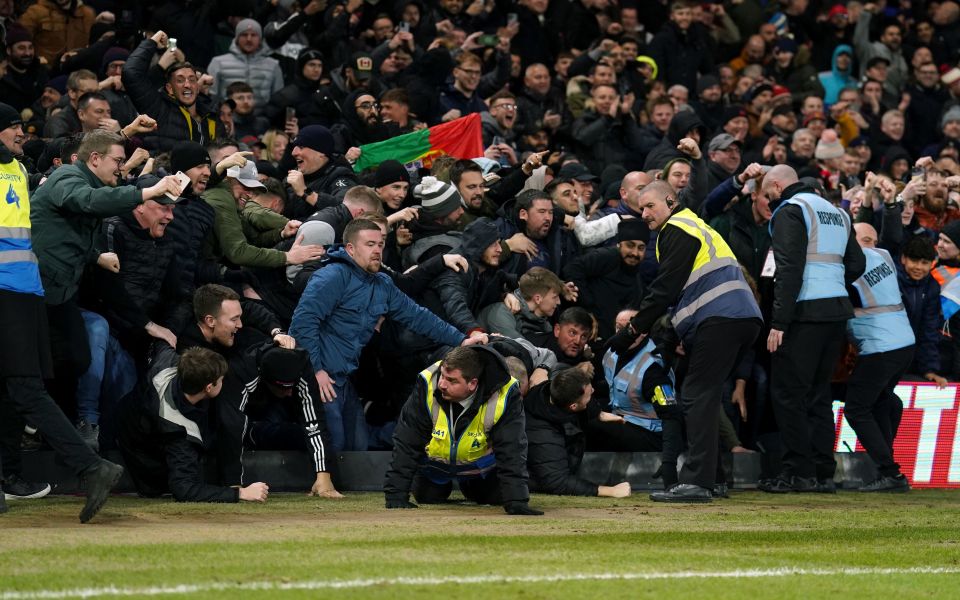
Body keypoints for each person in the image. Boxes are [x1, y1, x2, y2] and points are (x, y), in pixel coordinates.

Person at [0, 102, 123, 523]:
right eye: (14, 126)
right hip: (27, 289)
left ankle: (91, 467)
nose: (21, 133)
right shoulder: (15, 170)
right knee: (15, 390)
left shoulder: (16, 170)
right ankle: (9, 476)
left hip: (12, 291)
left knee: (23, 387)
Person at [608, 180, 762, 503]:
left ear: (670, 200)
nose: (645, 214)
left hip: (720, 317)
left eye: (650, 206)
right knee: (705, 395)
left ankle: (697, 482)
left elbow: (664, 291)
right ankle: (715, 479)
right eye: (641, 209)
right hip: (742, 317)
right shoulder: (695, 226)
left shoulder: (676, 228)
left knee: (695, 394)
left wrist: (632, 331)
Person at [289, 218, 488, 452]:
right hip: (319, 376)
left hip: (342, 379)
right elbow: (302, 324)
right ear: (350, 248)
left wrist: (462, 339)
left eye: (381, 244)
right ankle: (261, 440)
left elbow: (418, 316)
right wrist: (316, 370)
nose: (377, 251)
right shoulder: (332, 276)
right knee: (335, 448)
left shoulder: (381, 283)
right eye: (370, 244)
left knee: (358, 449)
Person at [30, 130, 183, 404]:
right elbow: (87, 201)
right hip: (38, 288)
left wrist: (96, 256)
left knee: (74, 358)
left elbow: (69, 234)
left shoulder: (92, 184)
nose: (122, 167)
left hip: (60, 290)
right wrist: (148, 191)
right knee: (44, 360)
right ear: (96, 159)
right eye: (118, 161)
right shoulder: (66, 177)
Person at [759, 164, 866, 493]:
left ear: (778, 186)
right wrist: (833, 282)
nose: (767, 202)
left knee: (789, 394)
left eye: (767, 195)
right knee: (819, 395)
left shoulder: (791, 211)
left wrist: (779, 322)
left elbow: (788, 268)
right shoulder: (836, 212)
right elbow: (857, 264)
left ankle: (796, 472)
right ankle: (822, 472)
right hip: (835, 312)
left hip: (803, 314)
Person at [383, 345, 542, 515]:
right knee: (427, 497)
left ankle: (473, 486)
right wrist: (396, 494)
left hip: (481, 468)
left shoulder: (505, 393)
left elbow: (512, 448)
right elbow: (407, 441)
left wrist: (516, 500)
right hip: (435, 466)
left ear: (473, 384)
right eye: (442, 376)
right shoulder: (427, 383)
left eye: (452, 380)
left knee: (495, 498)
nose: (442, 384)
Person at [118, 345, 270, 503]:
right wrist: (240, 494)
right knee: (158, 487)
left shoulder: (168, 360)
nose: (224, 381)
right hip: (138, 441)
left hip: (135, 408)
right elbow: (184, 489)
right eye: (221, 380)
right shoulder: (177, 431)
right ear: (209, 387)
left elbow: (162, 344)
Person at [217, 344, 342, 498]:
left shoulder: (300, 366)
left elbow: (314, 423)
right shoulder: (243, 368)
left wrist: (324, 476)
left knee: (300, 434)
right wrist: (234, 486)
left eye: (292, 387)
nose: (290, 392)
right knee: (236, 426)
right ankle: (252, 434)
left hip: (279, 416)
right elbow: (231, 425)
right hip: (250, 414)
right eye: (283, 388)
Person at [845, 228, 915, 493]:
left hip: (879, 346)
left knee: (856, 408)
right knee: (882, 401)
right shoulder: (882, 255)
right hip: (904, 342)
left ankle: (890, 472)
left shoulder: (848, 268)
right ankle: (886, 471)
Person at [524, 367, 631, 498]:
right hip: (537, 479)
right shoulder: (543, 434)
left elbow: (581, 393)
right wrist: (609, 491)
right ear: (573, 407)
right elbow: (557, 482)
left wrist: (598, 413)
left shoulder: (557, 388)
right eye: (589, 394)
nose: (593, 391)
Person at [122, 31, 225, 150]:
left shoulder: (212, 118)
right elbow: (131, 73)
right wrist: (153, 41)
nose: (187, 84)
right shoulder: (158, 108)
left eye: (192, 80)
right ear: (169, 88)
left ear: (198, 87)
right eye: (180, 80)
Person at [563, 219, 648, 341]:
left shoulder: (638, 281)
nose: (635, 253)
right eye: (630, 245)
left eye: (641, 248)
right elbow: (572, 269)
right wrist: (587, 311)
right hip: (584, 333)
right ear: (619, 244)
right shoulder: (608, 256)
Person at [207, 19, 284, 108]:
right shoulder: (218, 63)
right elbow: (211, 97)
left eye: (253, 35)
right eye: (244, 35)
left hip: (262, 118)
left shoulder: (273, 65)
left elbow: (278, 100)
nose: (249, 39)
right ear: (236, 38)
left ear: (260, 39)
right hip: (226, 118)